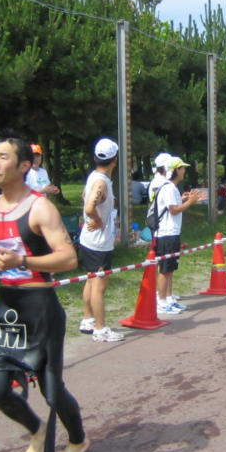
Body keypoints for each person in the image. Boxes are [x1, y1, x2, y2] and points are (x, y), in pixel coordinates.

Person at [0, 136, 89, 452]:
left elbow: (68, 258)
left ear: (23, 166)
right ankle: (37, 430)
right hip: (8, 307)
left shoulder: (40, 208)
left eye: (3, 157)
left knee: (52, 390)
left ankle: (78, 440)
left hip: (40, 307)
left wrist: (23, 262)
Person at [78, 138, 124, 342]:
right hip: (98, 242)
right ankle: (100, 328)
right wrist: (97, 219)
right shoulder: (101, 182)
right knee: (99, 286)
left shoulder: (94, 177)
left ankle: (87, 319)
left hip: (89, 240)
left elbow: (84, 196)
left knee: (91, 281)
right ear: (115, 160)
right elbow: (89, 207)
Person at [155, 157, 205, 314]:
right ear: (176, 170)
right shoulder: (169, 188)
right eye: (182, 168)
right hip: (166, 234)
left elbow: (173, 206)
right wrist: (190, 202)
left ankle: (168, 298)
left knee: (170, 269)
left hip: (172, 233)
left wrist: (185, 199)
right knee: (165, 269)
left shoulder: (172, 188)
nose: (184, 170)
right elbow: (173, 210)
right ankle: (161, 302)